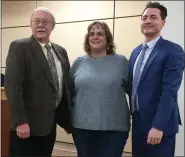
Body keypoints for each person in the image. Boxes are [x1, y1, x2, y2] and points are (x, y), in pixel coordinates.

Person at [4, 7, 71, 156]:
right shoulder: (19, 47)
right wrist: (20, 121)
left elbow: (64, 86)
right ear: (31, 25)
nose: (41, 25)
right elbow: (13, 87)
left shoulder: (60, 51)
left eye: (45, 22)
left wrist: (68, 118)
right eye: (37, 21)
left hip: (49, 125)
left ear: (52, 26)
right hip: (26, 126)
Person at [129, 2, 185, 157]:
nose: (147, 21)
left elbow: (170, 91)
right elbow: (133, 87)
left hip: (159, 126)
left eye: (153, 17)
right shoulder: (135, 52)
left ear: (163, 23)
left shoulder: (173, 50)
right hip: (138, 122)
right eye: (144, 17)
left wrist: (158, 126)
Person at [70, 21, 130, 157]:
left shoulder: (121, 62)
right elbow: (70, 92)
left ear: (108, 38)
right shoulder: (78, 62)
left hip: (114, 129)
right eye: (91, 34)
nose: (95, 37)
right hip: (82, 128)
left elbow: (133, 91)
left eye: (100, 34)